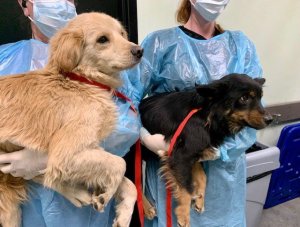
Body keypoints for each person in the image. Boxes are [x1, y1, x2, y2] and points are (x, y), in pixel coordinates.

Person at [121, 0, 263, 226]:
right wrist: (143, 135)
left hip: (223, 181)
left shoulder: (241, 47)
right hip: (172, 174)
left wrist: (215, 151)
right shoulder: (160, 44)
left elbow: (252, 115)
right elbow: (126, 98)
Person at [0, 0, 140, 226]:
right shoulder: (4, 60)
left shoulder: (116, 64)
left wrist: (46, 159)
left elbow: (126, 129)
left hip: (86, 211)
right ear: (25, 5)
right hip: (20, 205)